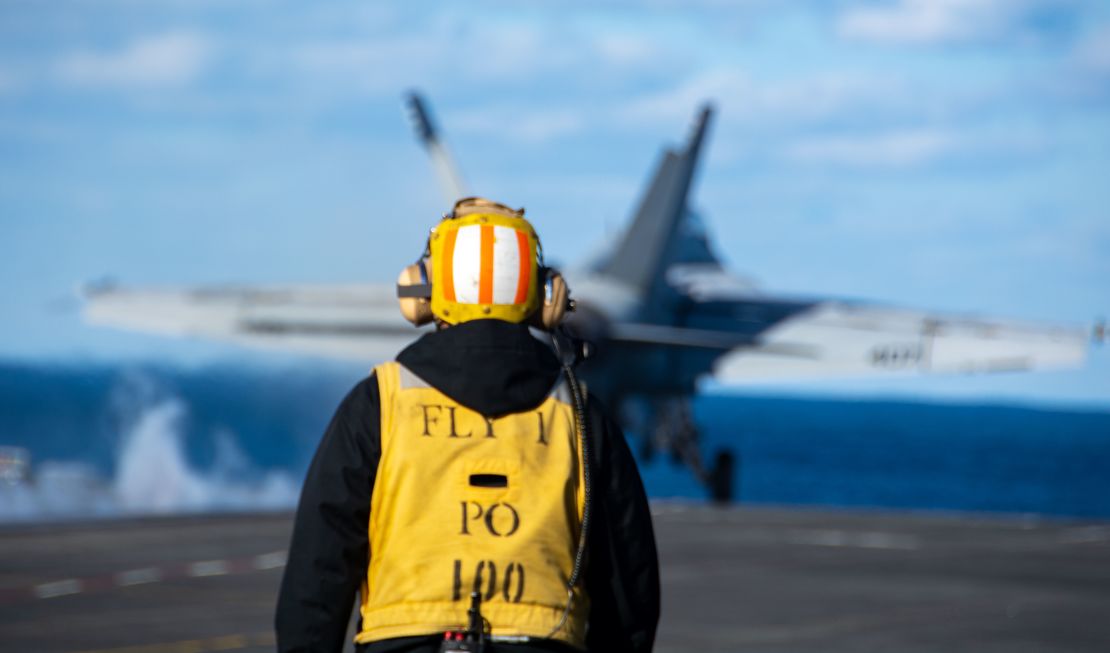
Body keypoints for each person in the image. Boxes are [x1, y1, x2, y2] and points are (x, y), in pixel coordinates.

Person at [275, 198, 659, 653]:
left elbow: (316, 582)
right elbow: (630, 597)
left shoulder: (379, 403)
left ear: (423, 290)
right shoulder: (580, 416)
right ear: (545, 298)